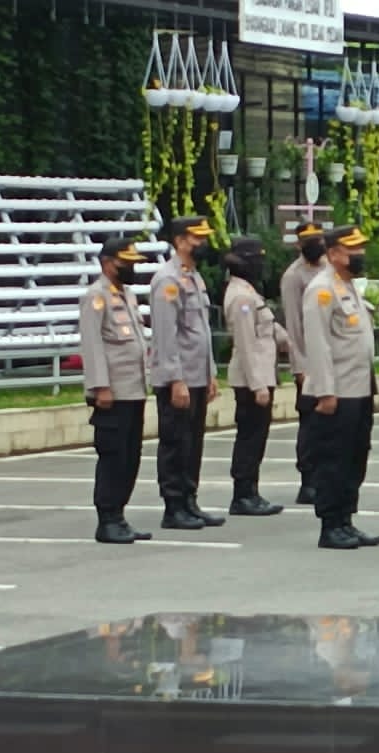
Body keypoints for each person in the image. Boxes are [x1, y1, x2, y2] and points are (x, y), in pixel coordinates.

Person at [302, 225, 379, 550]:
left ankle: (346, 519)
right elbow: (318, 344)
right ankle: (330, 523)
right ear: (334, 253)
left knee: (355, 457)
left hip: (358, 388)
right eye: (353, 249)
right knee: (334, 460)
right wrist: (325, 391)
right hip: (336, 392)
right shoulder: (321, 289)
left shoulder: (347, 286)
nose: (359, 254)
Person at [150, 216, 224, 530]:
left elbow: (201, 332)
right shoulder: (167, 280)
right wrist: (175, 379)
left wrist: (209, 373)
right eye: (197, 238)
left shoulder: (192, 277)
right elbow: (167, 336)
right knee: (175, 442)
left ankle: (190, 500)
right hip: (177, 378)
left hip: (196, 374)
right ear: (180, 240)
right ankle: (174, 505)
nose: (203, 244)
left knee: (193, 443)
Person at [79, 238, 152, 545]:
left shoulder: (127, 295)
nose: (131, 267)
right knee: (112, 456)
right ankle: (107, 518)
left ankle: (119, 515)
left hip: (133, 389)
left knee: (130, 456)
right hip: (112, 392)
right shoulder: (96, 297)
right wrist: (100, 386)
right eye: (126, 262)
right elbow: (93, 345)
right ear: (108, 262)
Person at [221, 237, 288, 517]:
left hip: (261, 375)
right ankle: (243, 494)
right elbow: (247, 345)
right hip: (251, 380)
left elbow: (272, 331)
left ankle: (252, 491)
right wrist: (258, 384)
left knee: (257, 437)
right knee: (249, 438)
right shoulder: (241, 297)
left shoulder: (250, 293)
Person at [280, 223, 329, 506]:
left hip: (332, 360)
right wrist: (299, 367)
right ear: (299, 244)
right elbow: (294, 325)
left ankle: (324, 475)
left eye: (318, 239)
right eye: (309, 240)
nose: (315, 244)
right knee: (310, 423)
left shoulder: (328, 271)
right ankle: (307, 479)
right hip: (309, 361)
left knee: (330, 425)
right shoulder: (294, 276)